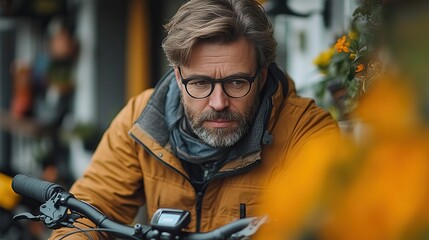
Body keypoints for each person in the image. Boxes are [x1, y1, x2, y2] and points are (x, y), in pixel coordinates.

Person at [50, 0, 338, 238]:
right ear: (178, 76)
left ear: (261, 76)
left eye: (237, 83)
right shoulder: (141, 120)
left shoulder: (305, 132)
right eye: (200, 83)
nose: (219, 103)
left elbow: (330, 221)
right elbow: (86, 209)